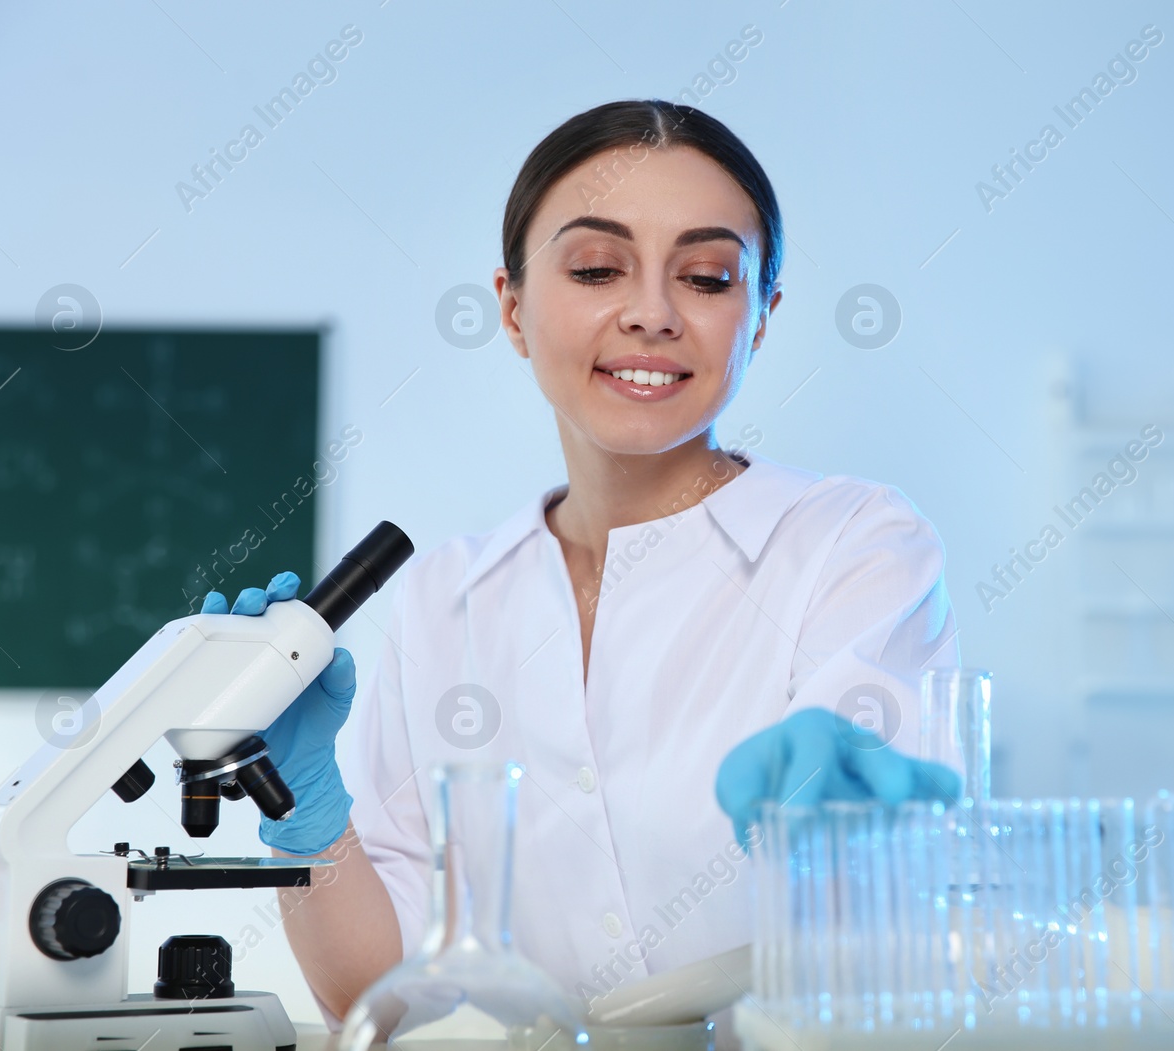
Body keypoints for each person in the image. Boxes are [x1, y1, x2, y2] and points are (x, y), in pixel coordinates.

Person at [202, 99, 963, 1030]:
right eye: (598, 268)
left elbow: (885, 824)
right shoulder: (451, 599)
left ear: (761, 317)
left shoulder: (853, 543)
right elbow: (378, 991)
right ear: (514, 308)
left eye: (709, 276)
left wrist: (848, 813)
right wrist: (309, 813)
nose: (651, 314)